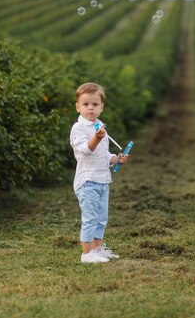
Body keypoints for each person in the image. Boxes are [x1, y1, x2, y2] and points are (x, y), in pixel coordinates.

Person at [70, 82, 129, 263]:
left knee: (101, 218)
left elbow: (103, 154)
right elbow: (86, 150)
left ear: (101, 107)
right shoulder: (79, 128)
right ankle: (86, 254)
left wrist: (115, 159)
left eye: (95, 105)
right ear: (78, 107)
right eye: (86, 104)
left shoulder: (100, 126)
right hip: (87, 181)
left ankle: (98, 249)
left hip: (103, 180)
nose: (90, 109)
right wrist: (96, 137)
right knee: (90, 218)